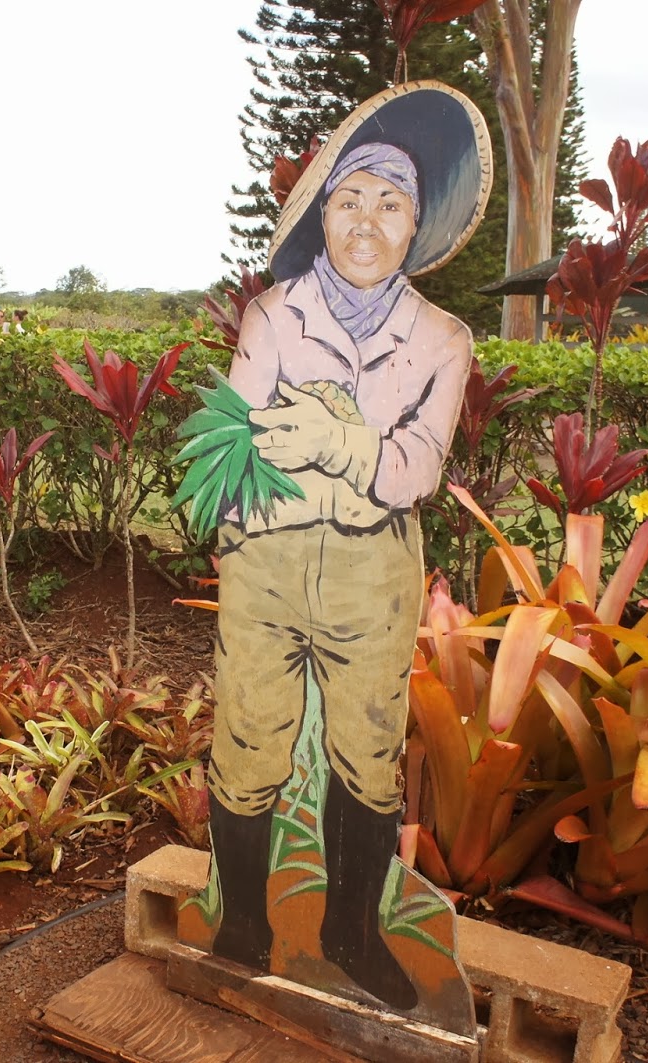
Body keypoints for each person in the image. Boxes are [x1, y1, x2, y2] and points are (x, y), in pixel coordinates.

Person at [204, 81, 491, 1012]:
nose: (367, 222)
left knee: (369, 751)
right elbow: (240, 440)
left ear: (417, 225)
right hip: (267, 560)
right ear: (322, 214)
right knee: (248, 738)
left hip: (373, 571)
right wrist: (239, 513)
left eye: (391, 204)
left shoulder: (442, 339)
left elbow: (415, 468)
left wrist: (332, 439)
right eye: (350, 200)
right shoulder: (274, 314)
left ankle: (352, 934)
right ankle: (242, 926)